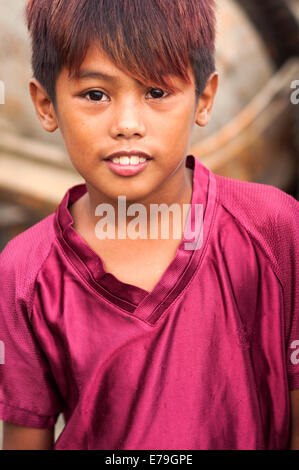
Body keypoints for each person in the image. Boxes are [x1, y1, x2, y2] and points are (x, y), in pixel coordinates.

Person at [0, 0, 298, 450]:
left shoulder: (275, 229)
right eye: (95, 94)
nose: (127, 125)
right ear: (46, 105)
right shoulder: (24, 271)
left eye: (157, 92)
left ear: (205, 99)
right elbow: (25, 439)